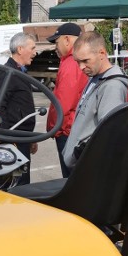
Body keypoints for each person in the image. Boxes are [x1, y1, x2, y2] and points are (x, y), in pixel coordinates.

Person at [62, 31, 128, 169]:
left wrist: (79, 153)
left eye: (86, 61)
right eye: (78, 62)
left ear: (102, 54)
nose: (81, 67)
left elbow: (108, 135)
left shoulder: (112, 86)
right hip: (81, 164)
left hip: (90, 166)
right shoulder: (95, 78)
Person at [45, 22, 87, 177]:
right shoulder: (78, 61)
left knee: (70, 179)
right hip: (75, 128)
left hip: (67, 131)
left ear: (67, 40)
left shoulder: (71, 64)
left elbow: (63, 103)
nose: (55, 47)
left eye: (57, 42)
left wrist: (54, 128)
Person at [0, 32, 39, 185]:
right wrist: (7, 140)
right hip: (14, 139)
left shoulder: (20, 71)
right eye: (32, 48)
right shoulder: (7, 73)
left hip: (23, 137)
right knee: (18, 184)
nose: (35, 52)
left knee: (24, 181)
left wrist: (31, 137)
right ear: (20, 49)